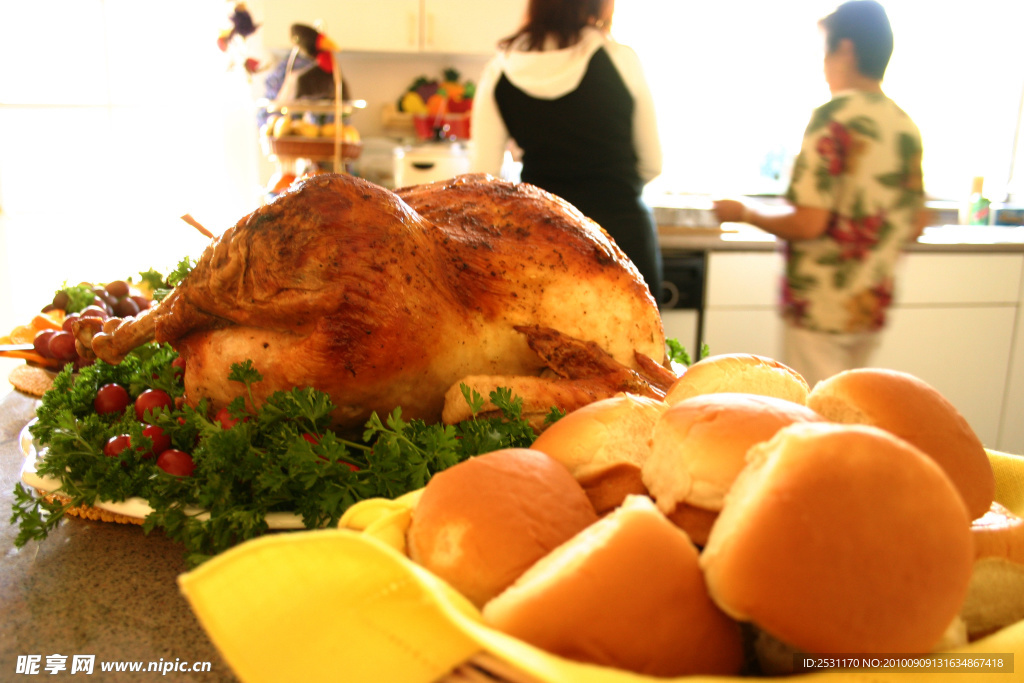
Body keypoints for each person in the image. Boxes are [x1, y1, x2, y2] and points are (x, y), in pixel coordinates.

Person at [712, 0, 927, 387]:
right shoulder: (904, 125)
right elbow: (915, 223)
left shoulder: (832, 118)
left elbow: (809, 222)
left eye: (825, 49)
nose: (822, 62)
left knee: (815, 418)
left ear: (845, 49)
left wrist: (744, 213)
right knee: (849, 405)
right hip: (871, 306)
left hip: (821, 307)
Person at [470, 0, 664, 299]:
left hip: (544, 240)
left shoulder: (500, 70)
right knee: (637, 342)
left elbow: (481, 179)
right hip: (622, 234)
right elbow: (652, 164)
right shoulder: (620, 59)